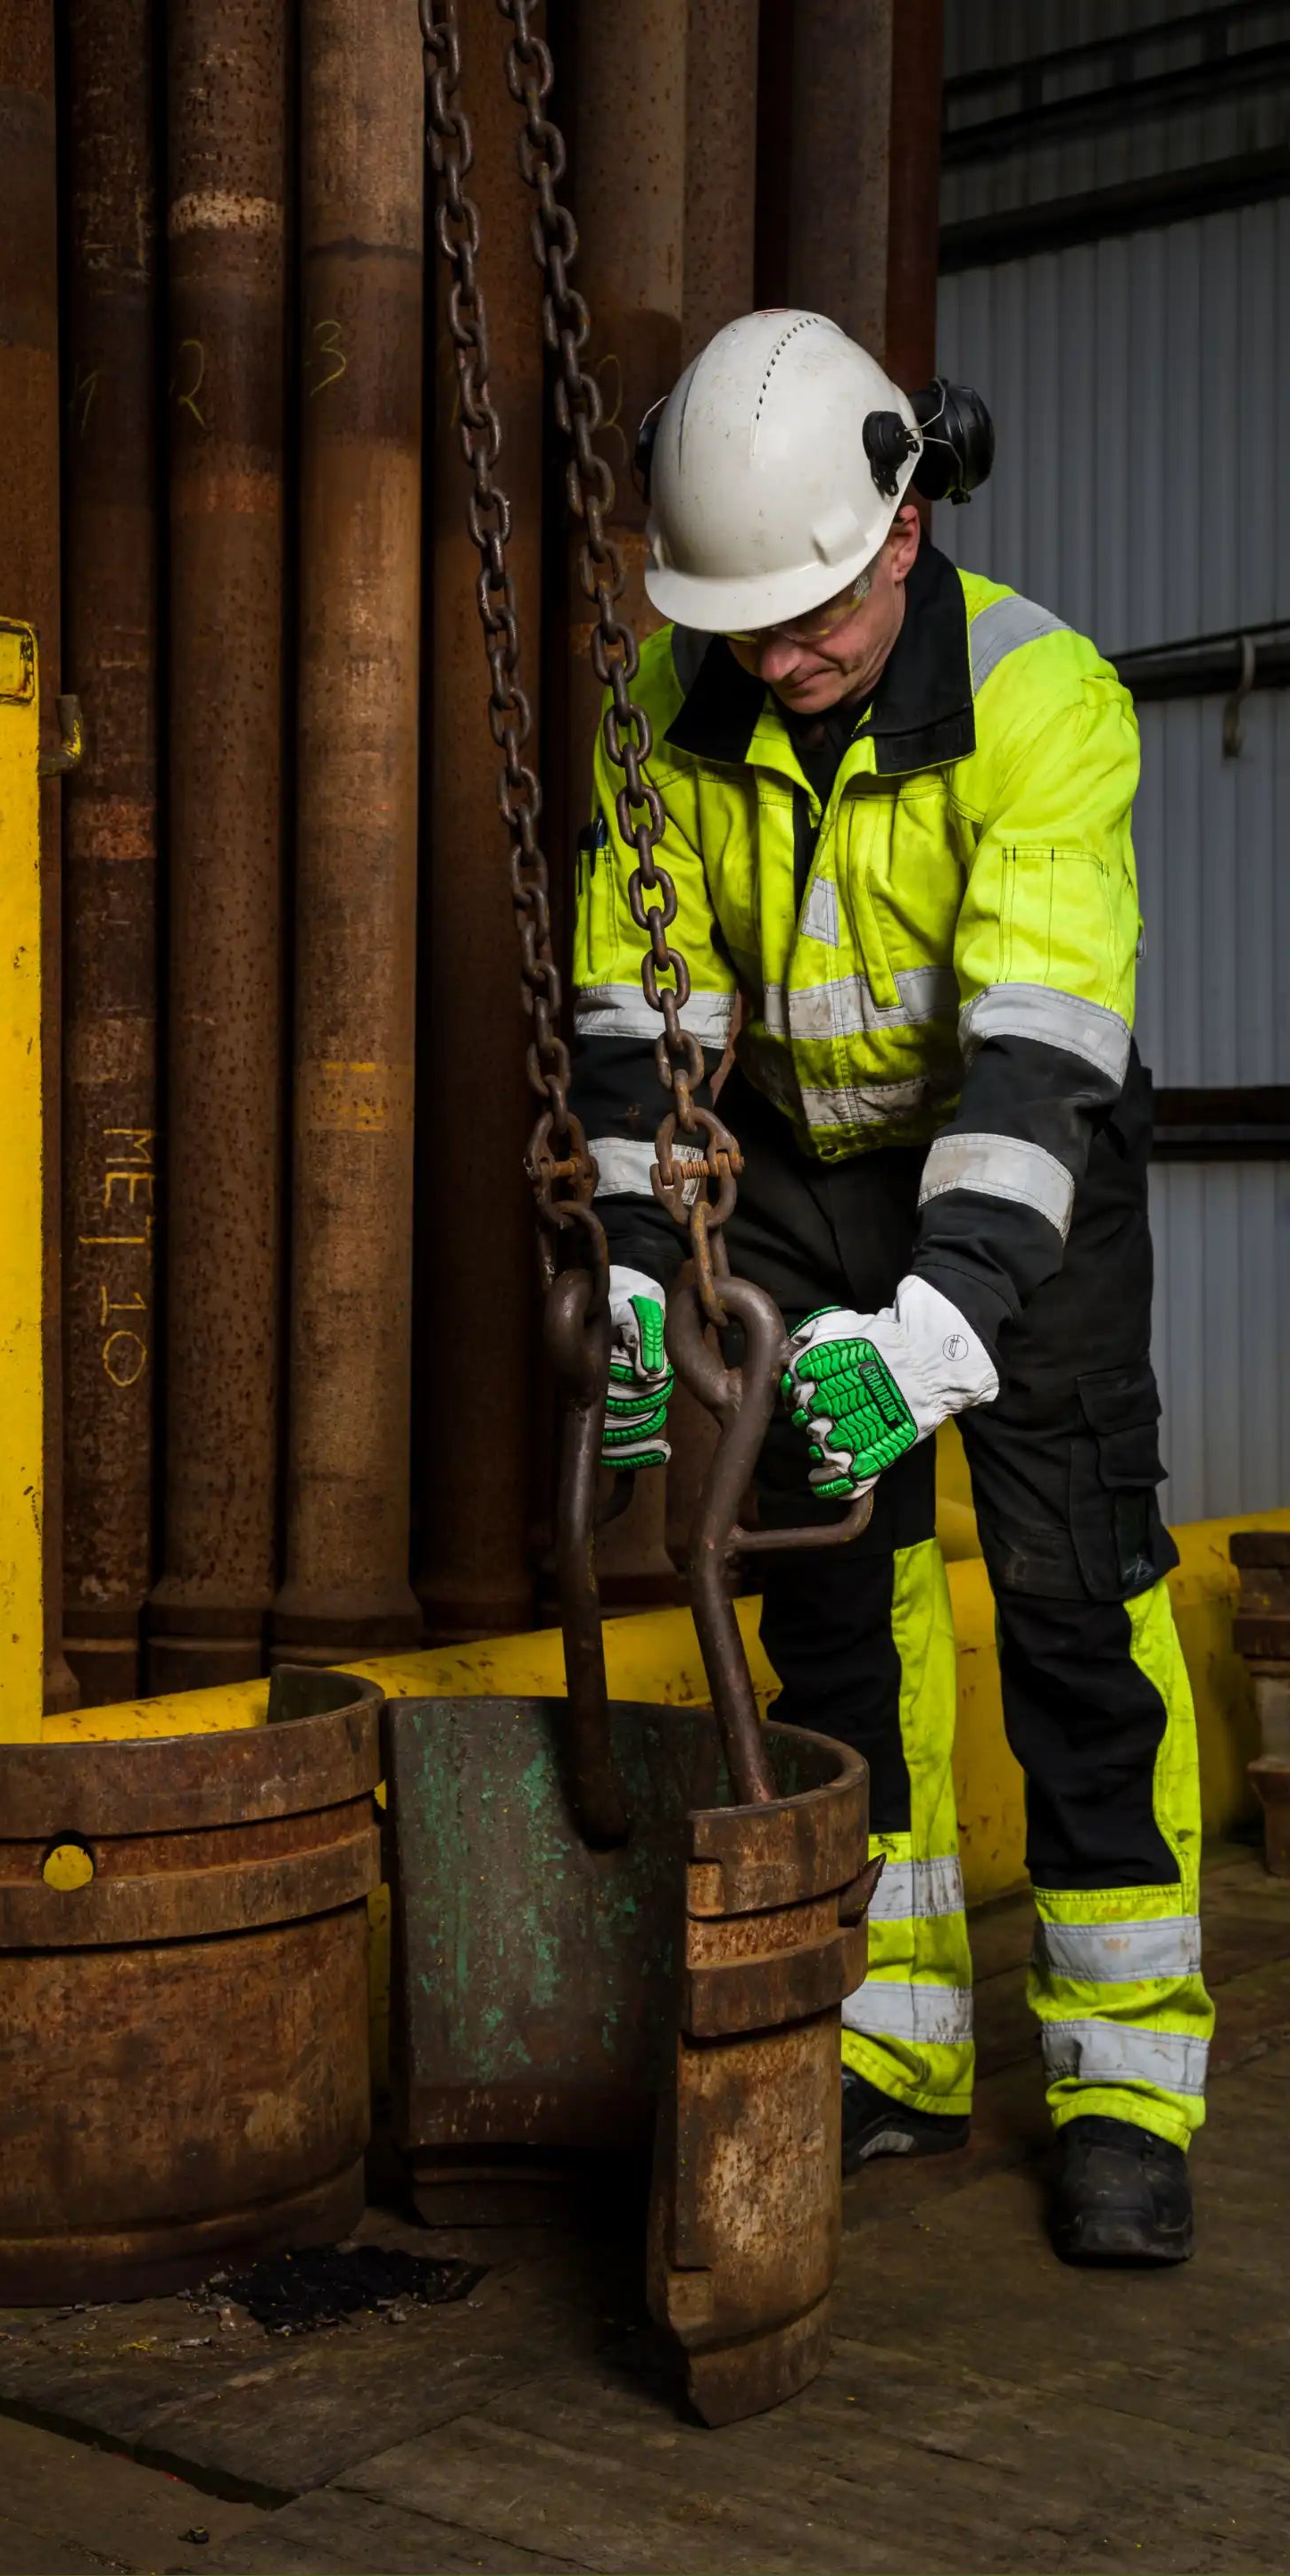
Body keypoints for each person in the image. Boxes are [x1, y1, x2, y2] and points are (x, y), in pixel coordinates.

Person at [573, 307, 1210, 2265]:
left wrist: (942, 1331)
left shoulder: (1044, 697)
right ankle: (893, 2043)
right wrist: (619, 1270)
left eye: (815, 615)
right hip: (788, 1186)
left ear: (905, 526)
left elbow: (1035, 1061)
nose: (778, 657)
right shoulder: (663, 712)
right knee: (831, 1614)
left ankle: (1124, 2085)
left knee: (1071, 1608)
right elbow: (632, 1016)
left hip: (1027, 1195)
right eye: (744, 625)